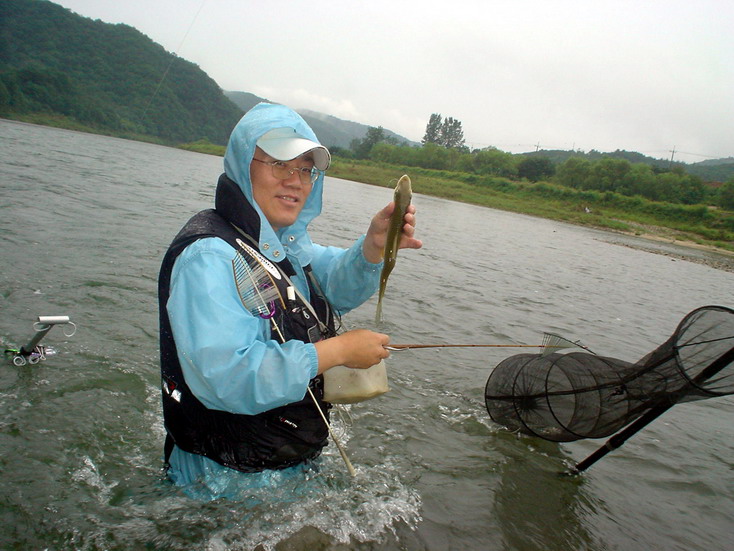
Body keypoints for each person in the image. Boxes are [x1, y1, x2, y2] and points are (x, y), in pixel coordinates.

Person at [158, 102, 421, 493]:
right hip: (221, 484)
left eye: (305, 169)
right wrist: (337, 352)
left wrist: (372, 247)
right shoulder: (209, 257)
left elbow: (328, 285)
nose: (295, 180)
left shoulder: (282, 247)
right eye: (279, 164)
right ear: (243, 164)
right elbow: (227, 376)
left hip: (285, 465)